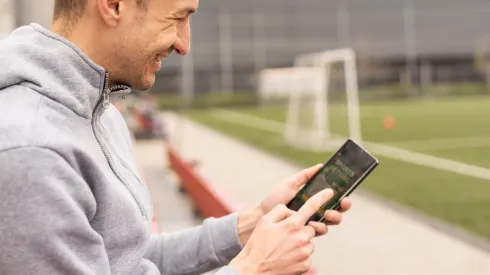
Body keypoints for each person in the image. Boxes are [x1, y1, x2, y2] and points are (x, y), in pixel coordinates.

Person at [0, 0, 353, 274]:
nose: (184, 45)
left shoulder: (102, 112)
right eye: (176, 18)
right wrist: (253, 269)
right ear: (113, 5)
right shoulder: (32, 151)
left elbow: (127, 260)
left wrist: (251, 224)